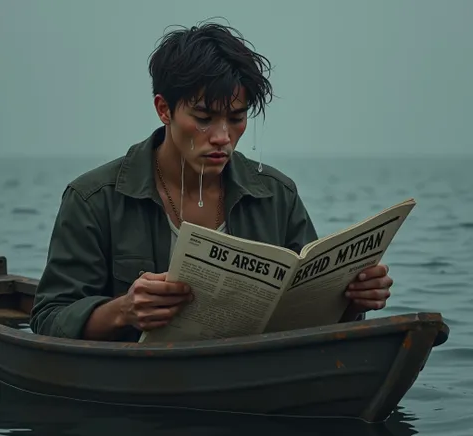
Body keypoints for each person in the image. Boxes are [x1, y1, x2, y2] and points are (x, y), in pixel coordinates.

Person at [30, 22, 393, 342]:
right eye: (204, 117)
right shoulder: (93, 198)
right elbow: (48, 320)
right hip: (137, 391)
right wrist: (122, 311)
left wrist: (352, 300)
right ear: (164, 109)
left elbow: (313, 319)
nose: (222, 136)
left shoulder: (277, 195)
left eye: (237, 118)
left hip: (253, 376)